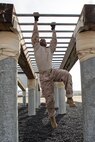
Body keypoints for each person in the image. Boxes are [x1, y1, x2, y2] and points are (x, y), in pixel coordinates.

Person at [31, 12, 76, 128]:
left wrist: (53, 30)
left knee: (66, 74)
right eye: (41, 40)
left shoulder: (49, 50)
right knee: (49, 98)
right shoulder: (36, 48)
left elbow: (54, 42)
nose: (42, 40)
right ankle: (52, 117)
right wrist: (36, 21)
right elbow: (35, 36)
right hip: (44, 76)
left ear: (46, 44)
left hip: (53, 72)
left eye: (44, 40)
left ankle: (70, 97)